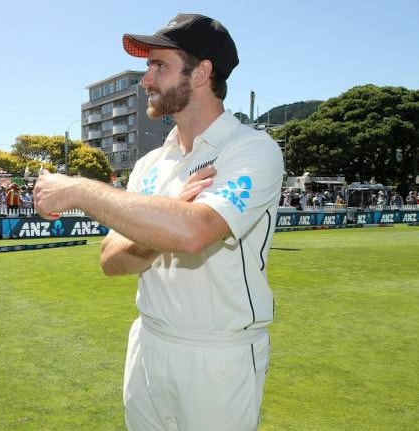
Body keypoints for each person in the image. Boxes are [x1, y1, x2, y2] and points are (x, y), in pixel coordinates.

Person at [33, 13, 283, 430]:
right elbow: (111, 261)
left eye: (159, 66)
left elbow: (194, 232)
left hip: (218, 354)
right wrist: (165, 212)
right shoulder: (151, 164)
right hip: (148, 343)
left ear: (202, 73)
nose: (146, 80)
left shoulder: (252, 149)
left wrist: (79, 190)